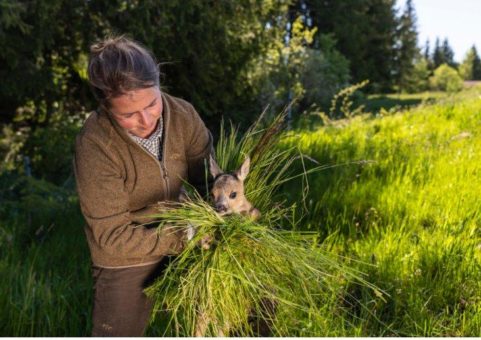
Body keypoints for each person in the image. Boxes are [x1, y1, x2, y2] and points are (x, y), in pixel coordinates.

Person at [73, 35, 213, 336]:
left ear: (159, 84)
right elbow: (112, 237)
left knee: (256, 296)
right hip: (126, 251)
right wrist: (181, 237)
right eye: (128, 115)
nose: (146, 119)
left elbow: (207, 182)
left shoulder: (184, 115)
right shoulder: (95, 144)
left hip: (186, 230)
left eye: (152, 104)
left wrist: (218, 218)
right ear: (106, 107)